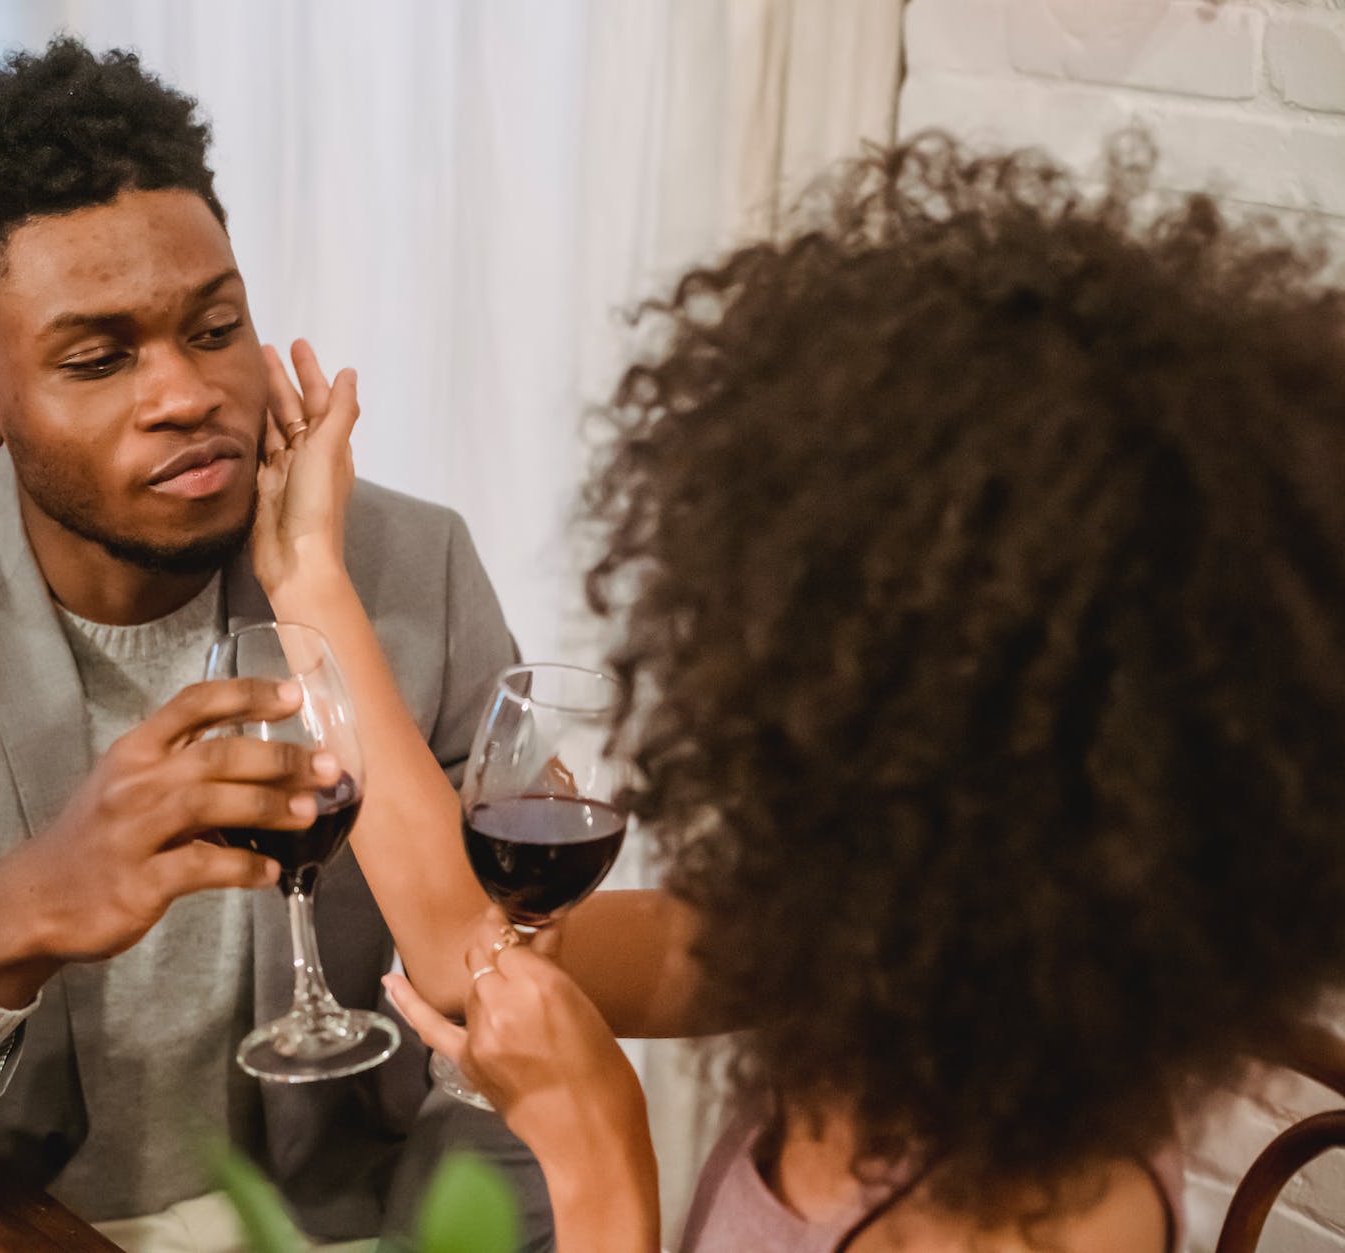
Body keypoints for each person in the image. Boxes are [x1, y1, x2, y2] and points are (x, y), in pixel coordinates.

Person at [383, 132, 1345, 1252]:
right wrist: (308, 575)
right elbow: (470, 951)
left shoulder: (1058, 1211)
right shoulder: (866, 970)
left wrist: (599, 1158)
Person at [0, 39, 551, 1251]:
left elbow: (517, 1026)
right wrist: (25, 907)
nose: (184, 393)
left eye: (215, 326)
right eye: (97, 358)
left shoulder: (411, 570)